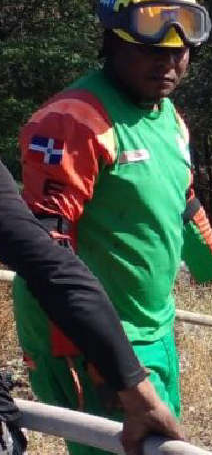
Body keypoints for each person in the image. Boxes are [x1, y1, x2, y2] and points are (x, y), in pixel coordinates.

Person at [11, 0, 212, 455]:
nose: (167, 64)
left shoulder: (166, 116)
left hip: (153, 328)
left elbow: (183, 207)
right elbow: (46, 251)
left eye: (178, 52)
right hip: (91, 343)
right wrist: (104, 359)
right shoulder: (74, 121)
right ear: (112, 43)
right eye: (151, 51)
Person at [1, 161, 185, 455]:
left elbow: (185, 199)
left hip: (147, 332)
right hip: (98, 342)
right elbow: (50, 258)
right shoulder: (73, 135)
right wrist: (98, 364)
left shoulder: (170, 134)